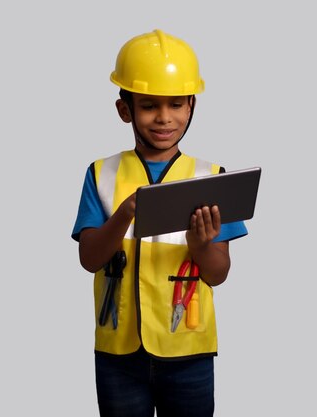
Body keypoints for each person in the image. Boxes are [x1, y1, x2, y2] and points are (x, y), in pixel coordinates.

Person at [71, 29, 248, 417]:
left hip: (189, 351)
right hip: (119, 354)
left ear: (192, 106)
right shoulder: (101, 173)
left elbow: (218, 274)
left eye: (176, 105)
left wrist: (200, 245)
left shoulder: (210, 176)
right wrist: (123, 214)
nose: (164, 118)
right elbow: (89, 258)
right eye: (149, 105)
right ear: (125, 110)